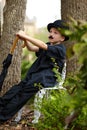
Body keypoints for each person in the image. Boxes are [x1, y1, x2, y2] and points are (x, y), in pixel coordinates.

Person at [0, 20, 69, 123]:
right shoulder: (48, 45)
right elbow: (32, 48)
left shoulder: (60, 49)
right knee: (15, 90)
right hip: (35, 76)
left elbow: (41, 45)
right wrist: (25, 39)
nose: (51, 34)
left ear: (62, 38)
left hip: (45, 78)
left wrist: (27, 37)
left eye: (55, 33)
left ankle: (2, 116)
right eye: (50, 31)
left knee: (22, 95)